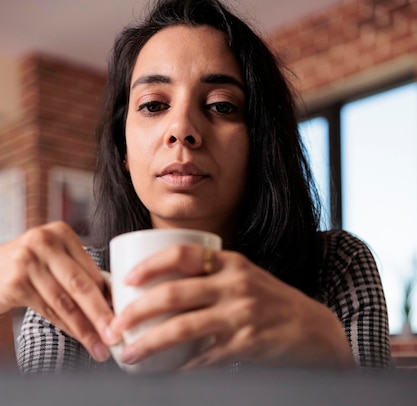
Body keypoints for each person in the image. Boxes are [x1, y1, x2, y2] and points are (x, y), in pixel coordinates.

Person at [1, 0, 392, 374]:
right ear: (122, 149)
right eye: (154, 105)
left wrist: (333, 360)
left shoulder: (335, 266)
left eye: (221, 105)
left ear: (260, 143)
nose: (182, 130)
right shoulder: (75, 283)